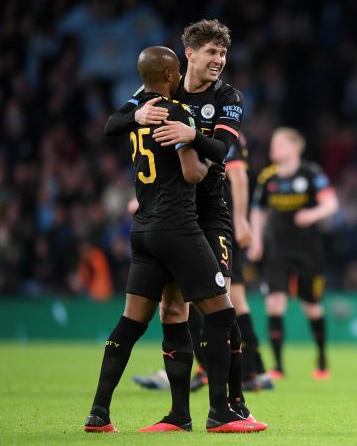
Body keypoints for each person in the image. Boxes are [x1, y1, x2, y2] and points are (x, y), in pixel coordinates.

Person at [84, 46, 265, 434]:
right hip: (178, 227)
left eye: (224, 53)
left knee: (137, 321)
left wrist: (142, 120)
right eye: (210, 52)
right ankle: (221, 411)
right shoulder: (174, 109)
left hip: (145, 227)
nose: (218, 59)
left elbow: (112, 126)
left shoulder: (158, 107)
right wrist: (191, 138)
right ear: (178, 66)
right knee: (221, 311)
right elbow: (195, 174)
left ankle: (101, 412)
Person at [248, 127, 339, 380]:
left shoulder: (311, 174)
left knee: (311, 306)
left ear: (294, 147)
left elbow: (331, 204)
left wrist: (312, 214)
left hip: (308, 251)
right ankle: (278, 366)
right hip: (277, 250)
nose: (273, 148)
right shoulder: (268, 178)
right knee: (274, 303)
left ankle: (321, 358)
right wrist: (256, 240)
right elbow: (258, 211)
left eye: (279, 143)